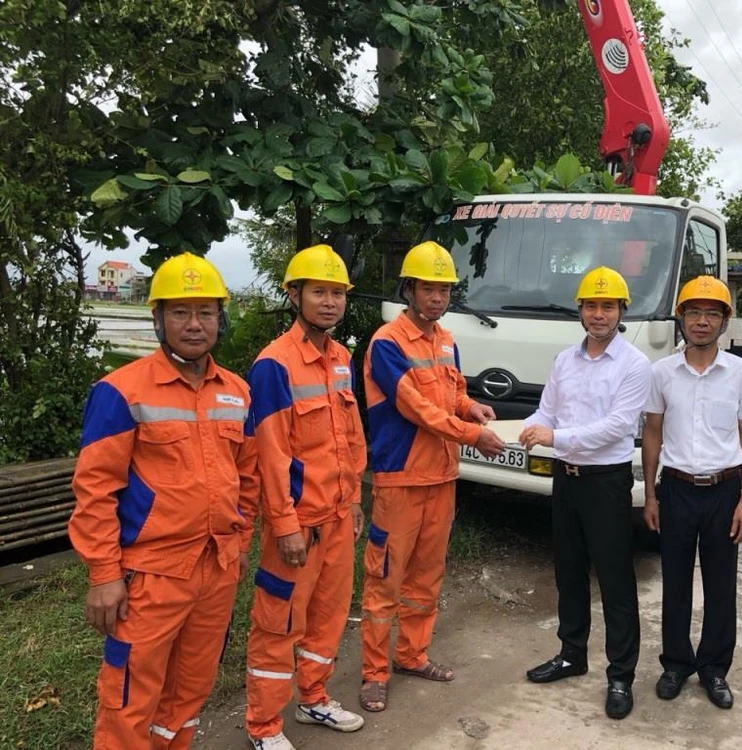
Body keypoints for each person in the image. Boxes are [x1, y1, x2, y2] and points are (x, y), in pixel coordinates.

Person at [69, 253, 258, 750]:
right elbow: (95, 490)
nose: (194, 324)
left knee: (190, 690)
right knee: (129, 698)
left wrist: (240, 543)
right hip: (151, 575)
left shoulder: (238, 392)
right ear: (158, 318)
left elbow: (248, 479)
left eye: (205, 312)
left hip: (216, 569)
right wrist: (104, 576)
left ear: (220, 318)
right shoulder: (121, 391)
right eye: (180, 312)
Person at [359, 240, 505, 713]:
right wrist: (472, 434)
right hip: (400, 479)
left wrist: (472, 407)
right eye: (428, 288)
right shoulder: (387, 343)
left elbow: (451, 395)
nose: (437, 297)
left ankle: (412, 656)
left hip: (441, 477)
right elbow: (415, 407)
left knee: (426, 578)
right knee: (385, 581)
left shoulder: (446, 340)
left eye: (444, 289)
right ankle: (374, 674)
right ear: (409, 290)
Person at [244, 245, 367, 750]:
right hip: (297, 525)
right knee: (279, 625)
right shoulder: (273, 365)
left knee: (329, 616)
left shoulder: (341, 358)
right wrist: (284, 525)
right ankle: (263, 725)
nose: (330, 302)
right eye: (319, 292)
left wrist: (354, 498)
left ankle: (313, 698)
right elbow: (269, 455)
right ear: (294, 295)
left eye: (338, 293)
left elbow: (351, 435)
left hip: (337, 516)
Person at [520, 266, 651, 720]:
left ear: (621, 311)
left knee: (615, 580)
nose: (599, 314)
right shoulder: (564, 361)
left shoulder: (634, 364)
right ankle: (572, 654)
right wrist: (518, 430)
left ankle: (621, 675)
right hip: (566, 479)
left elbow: (617, 426)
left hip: (606, 482)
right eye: (591, 306)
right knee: (568, 571)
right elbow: (546, 412)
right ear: (579, 310)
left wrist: (553, 438)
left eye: (607, 306)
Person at [640, 276, 742, 711]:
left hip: (724, 491)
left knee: (720, 585)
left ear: (725, 321)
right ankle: (675, 664)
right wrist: (650, 495)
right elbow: (652, 433)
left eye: (712, 313)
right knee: (675, 582)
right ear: (682, 318)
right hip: (675, 489)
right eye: (694, 312)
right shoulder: (661, 373)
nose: (702, 321)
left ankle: (714, 669)